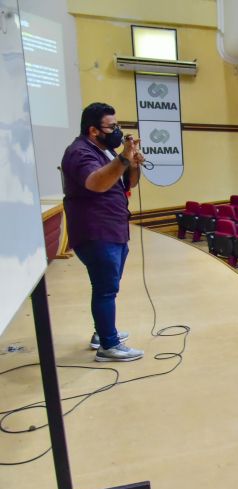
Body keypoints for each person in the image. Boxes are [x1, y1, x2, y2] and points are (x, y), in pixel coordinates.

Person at [61, 102, 145, 362]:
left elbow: (127, 182)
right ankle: (108, 346)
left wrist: (132, 163)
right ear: (94, 130)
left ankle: (103, 332)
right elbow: (96, 183)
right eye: (112, 127)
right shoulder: (79, 152)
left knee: (108, 287)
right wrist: (123, 158)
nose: (117, 131)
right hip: (96, 231)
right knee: (105, 288)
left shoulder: (104, 151)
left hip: (113, 228)